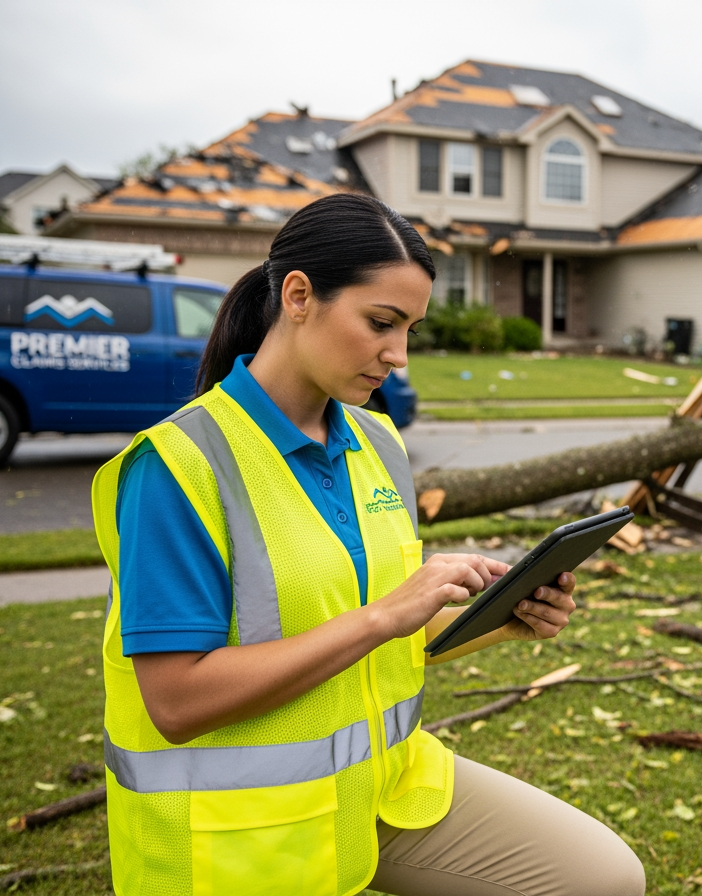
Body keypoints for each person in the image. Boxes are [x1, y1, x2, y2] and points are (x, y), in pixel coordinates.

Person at [90, 193, 646, 896]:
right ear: (298, 296)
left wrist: (507, 615)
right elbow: (176, 703)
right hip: (242, 841)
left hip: (383, 786)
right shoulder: (176, 468)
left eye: (410, 328)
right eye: (381, 323)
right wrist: (384, 615)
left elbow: (379, 637)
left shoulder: (377, 440)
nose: (399, 355)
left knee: (605, 879)